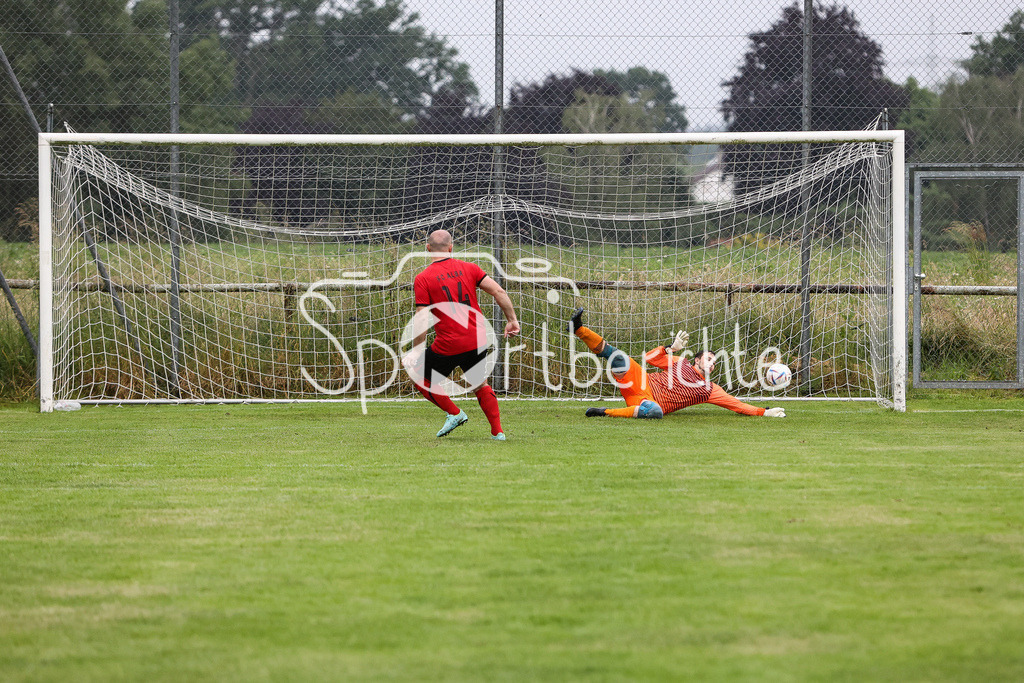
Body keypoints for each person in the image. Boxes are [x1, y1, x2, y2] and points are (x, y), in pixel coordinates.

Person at [404, 229, 521, 439]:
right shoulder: (470, 268)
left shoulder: (423, 278)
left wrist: (416, 351)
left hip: (449, 343)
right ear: (451, 247)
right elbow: (499, 291)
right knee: (479, 383)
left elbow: (422, 317)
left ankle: (454, 413)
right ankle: (498, 432)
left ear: (428, 248)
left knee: (419, 375)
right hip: (478, 339)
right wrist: (512, 320)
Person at [569, 307, 786, 419]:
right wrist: (670, 348)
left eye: (715, 363)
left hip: (645, 402)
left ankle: (603, 412)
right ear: (697, 359)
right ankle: (579, 329)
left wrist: (763, 412)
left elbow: (737, 406)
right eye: (709, 359)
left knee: (656, 413)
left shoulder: (709, 389)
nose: (712, 365)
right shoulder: (679, 362)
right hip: (641, 381)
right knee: (618, 357)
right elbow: (649, 359)